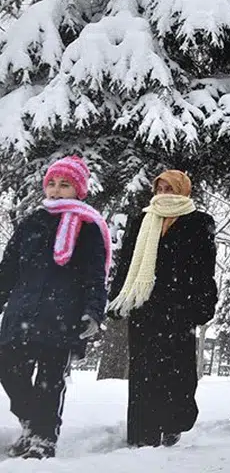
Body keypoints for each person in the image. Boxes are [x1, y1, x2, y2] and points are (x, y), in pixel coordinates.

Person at [0, 156, 111, 459]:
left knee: (50, 382)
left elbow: (94, 275)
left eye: (65, 185)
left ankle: (43, 439)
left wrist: (93, 310)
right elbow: (8, 269)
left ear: (79, 190)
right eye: (51, 183)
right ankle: (30, 421)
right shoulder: (30, 222)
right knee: (8, 369)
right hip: (20, 313)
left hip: (62, 317)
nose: (56, 190)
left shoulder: (87, 227)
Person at [107, 170, 217, 448]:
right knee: (144, 371)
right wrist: (117, 297)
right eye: (159, 187)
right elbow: (127, 262)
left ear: (183, 191)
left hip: (180, 307)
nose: (163, 192)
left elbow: (205, 267)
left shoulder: (199, 222)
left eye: (170, 187)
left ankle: (173, 422)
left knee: (177, 371)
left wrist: (204, 303)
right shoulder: (142, 220)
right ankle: (142, 434)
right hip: (145, 306)